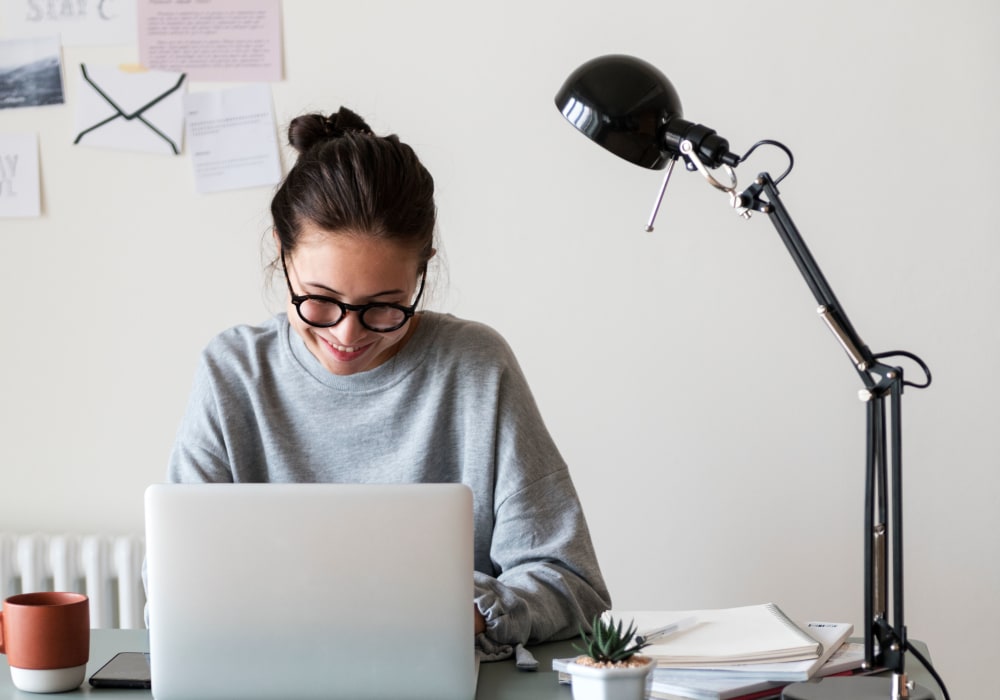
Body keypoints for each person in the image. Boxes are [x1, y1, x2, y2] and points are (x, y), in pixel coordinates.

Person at [166, 106, 611, 652]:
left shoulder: (476, 367)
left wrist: (465, 613)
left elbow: (572, 583)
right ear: (282, 258)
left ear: (420, 275)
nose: (348, 334)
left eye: (384, 307)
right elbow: (173, 582)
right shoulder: (233, 372)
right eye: (320, 301)